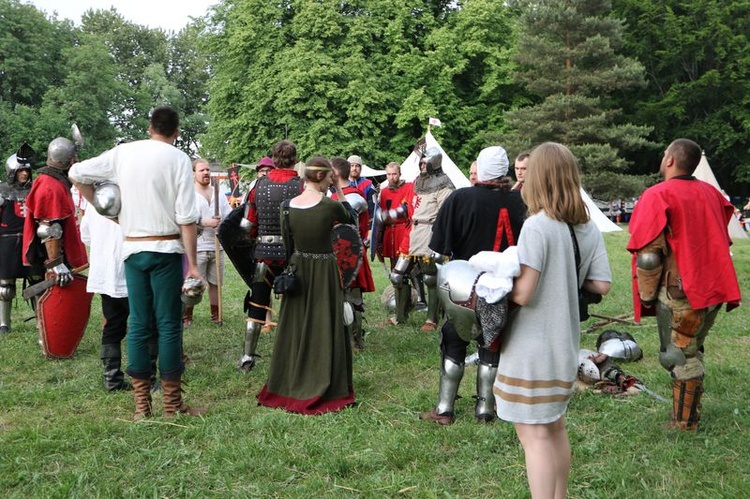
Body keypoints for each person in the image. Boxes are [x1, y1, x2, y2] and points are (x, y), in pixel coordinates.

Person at [69, 105, 205, 419]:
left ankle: (142, 407)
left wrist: (107, 211)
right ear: (177, 132)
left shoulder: (122, 153)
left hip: (132, 251)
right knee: (169, 326)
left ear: (149, 127)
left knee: (140, 326)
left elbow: (76, 173)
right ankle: (171, 405)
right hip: (167, 251)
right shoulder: (178, 158)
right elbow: (186, 216)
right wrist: (194, 265)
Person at [493, 142, 612, 498]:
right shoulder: (587, 228)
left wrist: (496, 282)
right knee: (554, 428)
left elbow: (524, 294)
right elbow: (601, 283)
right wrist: (565, 276)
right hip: (565, 345)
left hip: (531, 348)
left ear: (539, 178)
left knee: (533, 436)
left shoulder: (538, 226)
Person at [627, 138, 741, 431]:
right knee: (694, 346)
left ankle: (684, 422)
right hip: (713, 285)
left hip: (683, 289)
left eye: (665, 153)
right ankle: (688, 410)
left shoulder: (658, 194)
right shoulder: (711, 192)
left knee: (678, 354)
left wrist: (648, 295)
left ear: (670, 161)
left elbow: (649, 256)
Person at [419, 146, 526, 425]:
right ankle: (485, 410)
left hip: (464, 289)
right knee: (492, 344)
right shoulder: (521, 202)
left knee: (453, 340)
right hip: (506, 290)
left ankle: (444, 409)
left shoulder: (460, 198)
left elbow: (437, 251)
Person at [257, 156, 357, 414]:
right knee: (323, 322)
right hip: (323, 270)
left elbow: (288, 245)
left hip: (298, 267)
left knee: (296, 325)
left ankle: (289, 381)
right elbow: (350, 218)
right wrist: (339, 190)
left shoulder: (287, 206)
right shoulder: (329, 206)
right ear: (324, 177)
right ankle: (322, 380)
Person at [238, 140, 303, 372]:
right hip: (293, 255)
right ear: (295, 159)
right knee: (296, 305)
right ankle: (295, 355)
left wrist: (254, 239)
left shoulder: (259, 185)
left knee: (257, 305)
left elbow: (246, 225)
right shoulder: (301, 186)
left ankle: (247, 357)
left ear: (273, 159)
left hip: (264, 255)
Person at [390, 146, 455, 331]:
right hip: (412, 232)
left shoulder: (444, 184)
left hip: (429, 232)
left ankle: (431, 320)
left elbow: (445, 213)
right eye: (421, 162)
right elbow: (410, 206)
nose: (422, 165)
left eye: (425, 162)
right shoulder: (418, 182)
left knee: (430, 277)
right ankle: (400, 317)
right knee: (397, 275)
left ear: (434, 162)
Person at [22, 137, 88, 295]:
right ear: (69, 161)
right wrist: (55, 264)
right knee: (51, 305)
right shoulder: (50, 185)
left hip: (55, 255)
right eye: (74, 158)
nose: (76, 161)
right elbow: (49, 228)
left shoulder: (54, 181)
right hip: (49, 257)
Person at [330, 157, 375, 351]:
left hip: (344, 253)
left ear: (337, 173)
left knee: (347, 298)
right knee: (352, 298)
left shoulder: (346, 198)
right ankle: (354, 341)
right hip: (353, 252)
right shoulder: (357, 196)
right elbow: (364, 229)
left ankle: (352, 341)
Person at [185, 158, 232, 327]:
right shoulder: (189, 194)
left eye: (207, 170)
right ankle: (187, 316)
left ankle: (216, 315)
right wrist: (205, 222)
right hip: (197, 246)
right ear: (193, 174)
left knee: (216, 283)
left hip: (216, 246)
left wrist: (224, 222)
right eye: (201, 170)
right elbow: (184, 217)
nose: (206, 172)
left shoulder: (218, 192)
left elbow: (229, 214)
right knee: (194, 284)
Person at [0, 144, 39, 334]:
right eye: (20, 171)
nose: (24, 174)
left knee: (38, 283)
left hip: (31, 241)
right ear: (12, 172)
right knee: (5, 287)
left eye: (26, 171)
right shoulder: (1, 192)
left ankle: (42, 319)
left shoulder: (35, 190)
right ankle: (4, 324)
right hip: (8, 243)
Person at [375, 162, 413, 325]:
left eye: (394, 174)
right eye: (389, 174)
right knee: (395, 274)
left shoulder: (409, 187)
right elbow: (380, 219)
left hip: (405, 232)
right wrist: (378, 242)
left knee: (410, 272)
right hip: (390, 235)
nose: (391, 177)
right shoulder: (383, 192)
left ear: (400, 173)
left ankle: (416, 304)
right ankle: (400, 312)